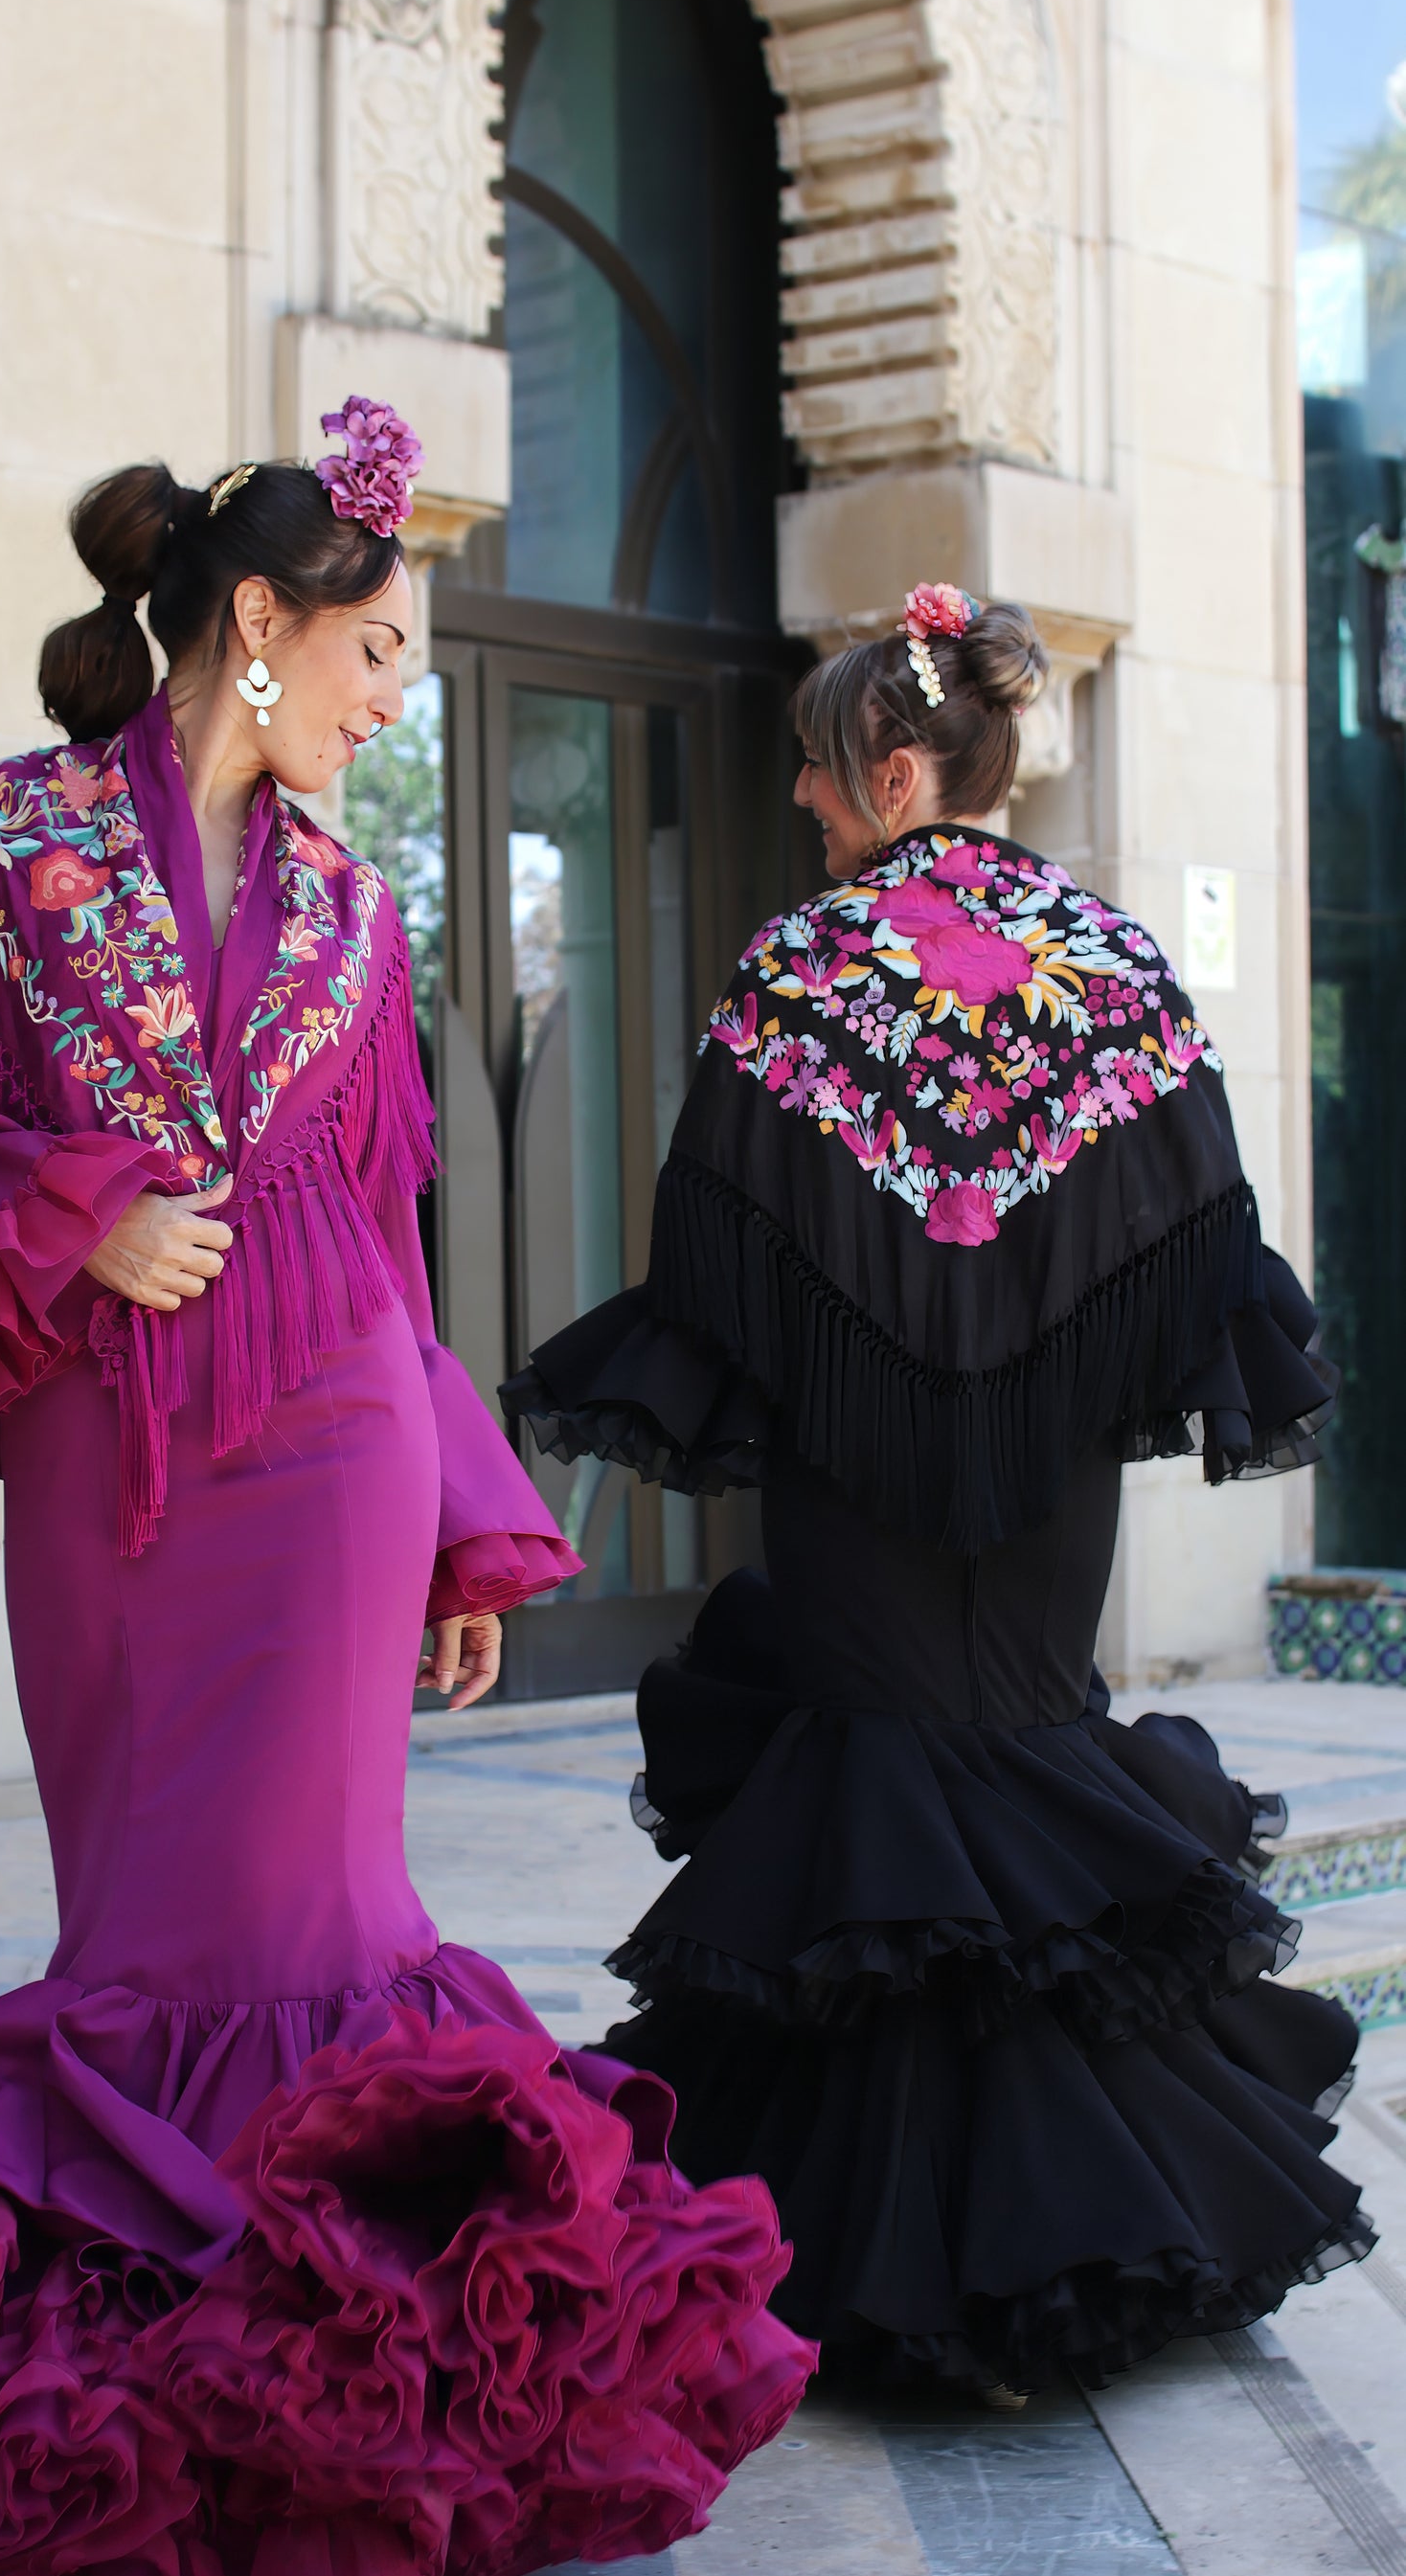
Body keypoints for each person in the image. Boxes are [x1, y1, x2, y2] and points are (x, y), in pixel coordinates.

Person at [0, 403, 814, 2576]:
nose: (394, 692)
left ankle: (305, 2473)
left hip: (336, 1438)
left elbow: (374, 1218)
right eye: (378, 646)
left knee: (327, 1926)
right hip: (111, 1474)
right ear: (257, 622)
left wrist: (457, 1518)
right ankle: (167, 2470)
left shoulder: (357, 898)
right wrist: (83, 1207)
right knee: (153, 1938)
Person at [506, 582, 1373, 2402]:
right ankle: (1074, 2224)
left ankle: (907, 2255)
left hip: (853, 1478)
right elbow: (1199, 1235)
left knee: (887, 1803)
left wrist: (871, 1364)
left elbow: (714, 1255)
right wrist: (1045, 1372)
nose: (808, 812)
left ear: (896, 770)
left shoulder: (801, 973)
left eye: (823, 780)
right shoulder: (1114, 964)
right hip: (1049, 1489)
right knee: (1024, 1751)